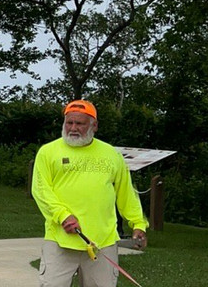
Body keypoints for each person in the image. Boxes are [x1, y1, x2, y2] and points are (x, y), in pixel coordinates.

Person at [31, 99, 148, 287]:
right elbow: (41, 190)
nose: (73, 128)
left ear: (94, 126)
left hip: (102, 242)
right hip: (60, 241)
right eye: (69, 122)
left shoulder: (111, 155)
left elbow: (126, 193)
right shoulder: (48, 152)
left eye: (80, 123)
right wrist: (62, 216)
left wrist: (138, 224)